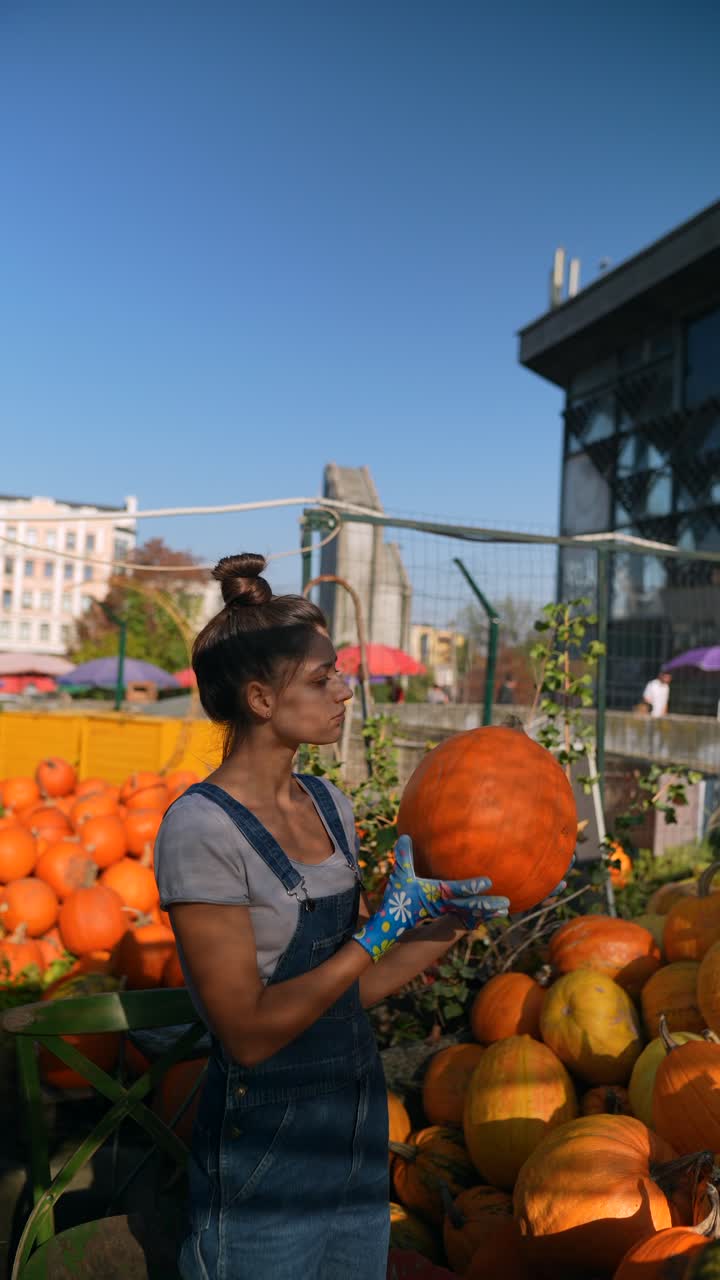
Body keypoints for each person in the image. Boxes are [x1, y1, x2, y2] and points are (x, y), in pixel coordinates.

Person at [154, 553, 510, 1280]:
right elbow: (249, 1034)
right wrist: (376, 934)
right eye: (322, 679)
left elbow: (349, 995)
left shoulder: (330, 806)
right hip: (267, 1150)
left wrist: (449, 923)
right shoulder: (200, 830)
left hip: (355, 1128)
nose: (345, 690)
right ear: (259, 698)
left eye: (339, 670)